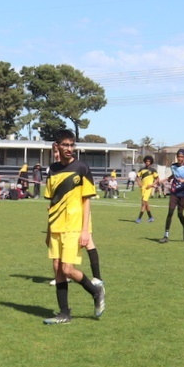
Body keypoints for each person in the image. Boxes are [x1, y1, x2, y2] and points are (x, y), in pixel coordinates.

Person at [43, 129, 106, 325]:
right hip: (55, 226)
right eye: (65, 145)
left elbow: (87, 201)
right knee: (58, 270)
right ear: (57, 146)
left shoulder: (82, 168)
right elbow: (51, 202)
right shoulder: (52, 169)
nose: (69, 149)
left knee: (68, 269)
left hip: (74, 226)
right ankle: (64, 313)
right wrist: (48, 230)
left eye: (72, 145)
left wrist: (85, 230)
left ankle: (96, 292)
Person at [159, 149, 184, 243]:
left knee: (180, 214)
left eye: (182, 157)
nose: (180, 158)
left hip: (183, 193)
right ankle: (166, 235)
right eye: (178, 156)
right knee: (170, 212)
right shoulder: (173, 166)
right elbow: (174, 176)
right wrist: (164, 179)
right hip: (174, 192)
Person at [135, 156, 158, 223]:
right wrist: (139, 184)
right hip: (143, 188)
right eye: (146, 161)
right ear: (145, 162)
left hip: (149, 188)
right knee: (146, 203)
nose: (147, 162)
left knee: (143, 203)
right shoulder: (141, 169)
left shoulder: (153, 170)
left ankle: (139, 218)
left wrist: (152, 185)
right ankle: (151, 217)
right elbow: (137, 177)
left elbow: (157, 179)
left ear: (151, 162)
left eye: (149, 161)